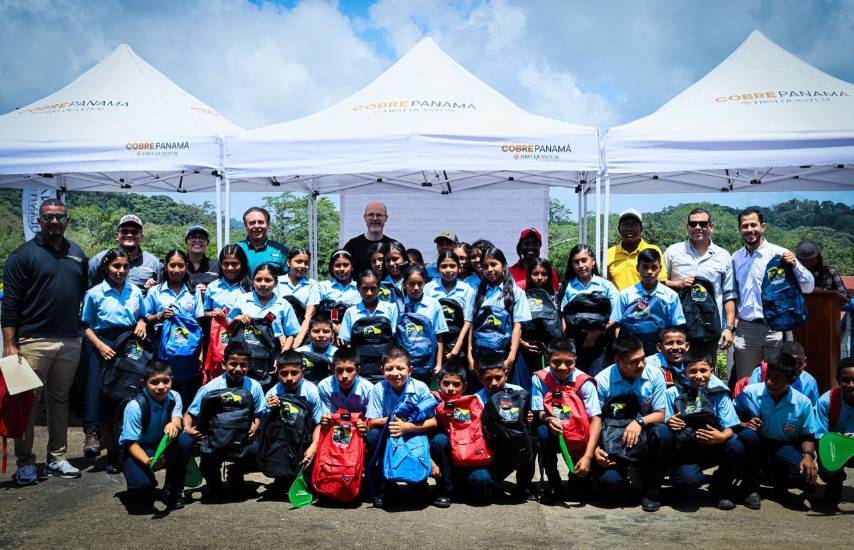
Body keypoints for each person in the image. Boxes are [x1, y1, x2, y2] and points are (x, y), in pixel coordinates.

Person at [2, 199, 88, 484]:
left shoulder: (77, 253)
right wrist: (9, 345)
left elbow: (82, 295)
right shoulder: (22, 255)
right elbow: (10, 304)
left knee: (59, 401)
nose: (53, 222)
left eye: (59, 217)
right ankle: (25, 462)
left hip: (69, 340)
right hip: (32, 340)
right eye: (48, 217)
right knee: (27, 403)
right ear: (39, 219)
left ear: (67, 221)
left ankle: (57, 458)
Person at [80, 248, 148, 461]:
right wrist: (100, 346)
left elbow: (143, 316)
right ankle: (103, 444)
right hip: (103, 345)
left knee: (125, 395)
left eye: (125, 266)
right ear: (106, 267)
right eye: (116, 266)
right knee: (100, 393)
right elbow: (84, 325)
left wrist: (142, 322)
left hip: (128, 347)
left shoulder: (135, 291)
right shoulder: (94, 293)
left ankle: (125, 450)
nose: (121, 271)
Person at [731, 207, 814, 380]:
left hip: (776, 328)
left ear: (763, 227)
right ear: (740, 229)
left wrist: (796, 266)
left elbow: (808, 287)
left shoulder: (779, 254)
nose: (749, 230)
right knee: (746, 383)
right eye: (745, 226)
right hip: (746, 330)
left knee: (779, 381)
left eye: (753, 225)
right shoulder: (735, 258)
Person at [593, 334, 672, 513]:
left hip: (643, 433)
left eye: (643, 358)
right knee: (610, 485)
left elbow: (660, 414)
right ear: (618, 361)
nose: (641, 364)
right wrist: (596, 449)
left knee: (663, 433)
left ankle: (652, 491)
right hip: (613, 438)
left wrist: (639, 422)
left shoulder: (655, 374)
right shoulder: (602, 381)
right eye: (634, 361)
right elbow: (595, 419)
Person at [735, 351, 818, 510]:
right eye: (768, 376)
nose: (769, 381)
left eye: (776, 378)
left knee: (803, 475)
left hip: (783, 445)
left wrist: (808, 455)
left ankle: (776, 482)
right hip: (756, 444)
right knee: (747, 437)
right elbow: (730, 419)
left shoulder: (803, 403)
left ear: (791, 380)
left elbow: (808, 435)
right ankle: (749, 486)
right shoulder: (751, 392)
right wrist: (744, 424)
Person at [183, 342, 266, 499]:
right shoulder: (210, 388)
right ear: (223, 364)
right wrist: (187, 428)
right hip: (215, 439)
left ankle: (236, 472)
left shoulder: (254, 386)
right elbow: (190, 413)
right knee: (214, 487)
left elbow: (258, 415)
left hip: (242, 439)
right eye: (233, 364)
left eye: (243, 365)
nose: (238, 369)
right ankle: (212, 480)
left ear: (249, 366)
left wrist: (254, 428)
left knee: (261, 451)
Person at [664, 350, 744, 510]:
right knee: (690, 480)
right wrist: (669, 421)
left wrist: (722, 436)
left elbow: (731, 425)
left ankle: (721, 489)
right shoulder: (673, 393)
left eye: (703, 370)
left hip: (713, 446)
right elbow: (664, 418)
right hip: (685, 450)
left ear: (711, 371)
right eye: (692, 371)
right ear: (684, 373)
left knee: (735, 443)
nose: (699, 376)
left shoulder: (720, 393)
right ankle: (677, 477)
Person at [364, 347, 439, 508]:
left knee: (421, 496)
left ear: (410, 370)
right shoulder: (378, 388)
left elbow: (433, 422)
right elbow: (371, 422)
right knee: (372, 436)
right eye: (389, 369)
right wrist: (392, 420)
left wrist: (407, 427)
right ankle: (386, 483)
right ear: (382, 370)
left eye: (400, 368)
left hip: (414, 433)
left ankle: (419, 480)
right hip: (389, 431)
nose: (395, 373)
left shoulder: (420, 388)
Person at [531, 338, 601, 504]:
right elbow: (538, 411)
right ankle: (553, 482)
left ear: (575, 359)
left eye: (568, 363)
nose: (562, 368)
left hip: (579, 431)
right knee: (543, 433)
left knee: (581, 490)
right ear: (548, 359)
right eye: (556, 362)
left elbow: (595, 419)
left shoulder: (585, 382)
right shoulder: (539, 378)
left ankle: (577, 473)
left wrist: (588, 456)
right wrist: (548, 419)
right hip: (554, 429)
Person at [119, 360, 193, 511]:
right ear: (144, 382)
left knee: (185, 441)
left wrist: (173, 425)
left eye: (166, 381)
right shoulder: (134, 406)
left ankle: (172, 490)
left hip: (160, 445)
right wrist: (149, 462)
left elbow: (177, 421)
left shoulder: (174, 396)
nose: (161, 387)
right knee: (142, 490)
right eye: (154, 382)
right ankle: (140, 485)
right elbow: (131, 444)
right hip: (138, 450)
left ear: (172, 379)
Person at [663, 208, 736, 360]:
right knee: (678, 374)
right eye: (693, 223)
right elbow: (661, 284)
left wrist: (729, 328)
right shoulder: (673, 252)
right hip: (679, 329)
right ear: (687, 227)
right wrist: (678, 284)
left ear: (711, 227)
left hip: (711, 328)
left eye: (702, 223)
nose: (697, 227)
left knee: (706, 374)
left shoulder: (724, 256)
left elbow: (729, 294)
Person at [429, 363, 494, 507]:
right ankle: (444, 490)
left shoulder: (473, 403)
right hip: (446, 460)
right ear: (439, 383)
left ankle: (462, 488)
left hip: (470, 457)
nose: (450, 388)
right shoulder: (430, 402)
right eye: (446, 383)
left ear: (464, 386)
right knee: (439, 440)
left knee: (483, 480)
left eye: (456, 384)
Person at [142, 250, 203, 404]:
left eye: (181, 265)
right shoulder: (155, 291)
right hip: (163, 352)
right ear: (166, 267)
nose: (176, 270)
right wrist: (160, 315)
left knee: (187, 393)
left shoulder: (193, 292)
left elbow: (199, 325)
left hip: (189, 354)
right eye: (172, 265)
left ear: (186, 267)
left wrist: (201, 354)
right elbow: (145, 318)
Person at [474, 353, 535, 500]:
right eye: (488, 379)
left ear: (506, 374)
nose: (494, 383)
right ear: (480, 378)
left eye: (498, 378)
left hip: (517, 445)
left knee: (533, 443)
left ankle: (523, 485)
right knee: (484, 481)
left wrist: (529, 418)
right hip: (492, 448)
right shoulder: (477, 400)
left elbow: (527, 416)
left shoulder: (519, 392)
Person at [262, 351, 323, 495]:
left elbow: (320, 423)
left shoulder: (313, 392)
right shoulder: (272, 392)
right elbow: (264, 426)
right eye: (284, 373)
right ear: (277, 373)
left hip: (305, 436)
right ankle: (280, 473)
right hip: (282, 437)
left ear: (303, 372)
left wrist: (314, 446)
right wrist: (269, 409)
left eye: (294, 373)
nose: (289, 378)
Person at [470, 247, 532, 388]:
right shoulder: (477, 293)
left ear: (503, 266)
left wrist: (510, 359)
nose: (490, 269)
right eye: (485, 266)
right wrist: (470, 356)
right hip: (481, 356)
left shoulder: (517, 293)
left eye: (494, 264)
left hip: (506, 354)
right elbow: (471, 327)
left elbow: (517, 327)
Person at [557, 244, 619, 377]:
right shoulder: (568, 287)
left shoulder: (606, 286)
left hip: (601, 344)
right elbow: (564, 316)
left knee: (597, 379)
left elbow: (617, 314)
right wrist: (568, 343)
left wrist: (596, 333)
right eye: (576, 262)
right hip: (576, 344)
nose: (580, 265)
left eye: (584, 260)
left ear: (593, 262)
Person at [612, 248, 686, 356]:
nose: (649, 272)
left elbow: (677, 327)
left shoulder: (670, 296)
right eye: (645, 267)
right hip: (632, 351)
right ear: (638, 268)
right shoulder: (626, 294)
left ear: (660, 268)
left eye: (654, 267)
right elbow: (617, 325)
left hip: (660, 351)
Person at [227, 263, 301, 353]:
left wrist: (282, 355)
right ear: (253, 281)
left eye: (268, 280)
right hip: (245, 355)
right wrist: (237, 319)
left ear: (276, 283)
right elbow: (228, 330)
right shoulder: (242, 300)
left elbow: (291, 334)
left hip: (273, 354)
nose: (262, 284)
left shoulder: (283, 304)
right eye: (258, 280)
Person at [424, 250, 476, 368]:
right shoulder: (429, 289)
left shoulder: (468, 290)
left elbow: (468, 322)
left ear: (459, 268)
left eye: (452, 266)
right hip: (434, 342)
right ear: (438, 268)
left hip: (458, 344)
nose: (448, 270)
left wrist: (456, 349)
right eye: (444, 266)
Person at [398, 264, 449, 384]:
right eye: (411, 284)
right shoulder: (398, 305)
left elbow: (439, 336)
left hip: (427, 363)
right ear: (404, 284)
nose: (416, 288)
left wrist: (438, 363)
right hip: (404, 363)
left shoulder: (433, 304)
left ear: (424, 283)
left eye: (420, 283)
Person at [815, 357, 854, 505]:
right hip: (836, 448)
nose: (851, 385)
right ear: (838, 379)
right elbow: (820, 437)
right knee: (828, 466)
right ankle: (834, 486)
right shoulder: (826, 401)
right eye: (846, 380)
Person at [88, 215, 162, 290]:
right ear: (117, 235)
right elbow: (87, 288)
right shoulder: (99, 259)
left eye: (134, 232)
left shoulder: (154, 263)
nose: (129, 235)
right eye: (124, 231)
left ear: (141, 237)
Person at [606, 209, 665, 292]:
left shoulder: (654, 250)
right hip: (619, 304)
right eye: (625, 225)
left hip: (647, 303)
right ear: (619, 229)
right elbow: (606, 285)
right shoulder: (609, 253)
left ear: (641, 228)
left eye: (634, 224)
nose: (629, 228)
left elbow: (661, 281)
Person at [744, 341, 819, 405]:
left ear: (805, 362)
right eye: (788, 364)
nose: (794, 369)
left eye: (798, 364)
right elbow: (749, 400)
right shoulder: (761, 372)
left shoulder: (809, 382)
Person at [277, 247, 321, 348]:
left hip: (303, 333)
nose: (302, 266)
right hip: (280, 333)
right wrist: (281, 336)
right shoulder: (277, 282)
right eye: (298, 262)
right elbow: (273, 311)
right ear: (288, 262)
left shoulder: (313, 285)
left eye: (306, 263)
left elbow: (308, 315)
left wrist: (298, 339)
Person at [317, 346, 375, 416]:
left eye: (350, 370)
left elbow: (370, 419)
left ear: (358, 370)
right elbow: (330, 415)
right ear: (332, 370)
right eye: (339, 370)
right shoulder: (324, 386)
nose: (344, 376)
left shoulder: (369, 389)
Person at [343, 201, 397, 275]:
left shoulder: (393, 246)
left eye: (379, 215)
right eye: (371, 215)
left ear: (386, 218)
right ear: (365, 217)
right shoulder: (352, 245)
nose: (375, 218)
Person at [236, 207, 288, 276]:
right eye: (252, 223)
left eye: (261, 222)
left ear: (268, 225)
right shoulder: (237, 248)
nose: (257, 226)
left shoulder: (281, 250)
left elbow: (288, 278)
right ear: (246, 226)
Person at [295, 313, 338, 383]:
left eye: (326, 331)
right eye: (316, 331)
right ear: (308, 333)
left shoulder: (338, 354)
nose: (321, 335)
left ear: (332, 333)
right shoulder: (299, 353)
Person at [185, 225, 219, 293]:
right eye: (193, 237)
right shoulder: (179, 266)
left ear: (207, 243)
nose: (197, 240)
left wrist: (210, 291)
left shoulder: (217, 266)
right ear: (186, 242)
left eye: (202, 237)